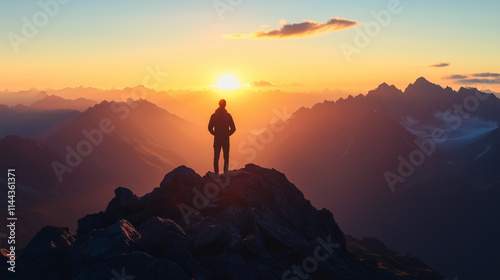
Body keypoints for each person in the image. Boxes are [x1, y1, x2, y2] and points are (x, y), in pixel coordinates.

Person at [208, 99, 236, 174]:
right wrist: (227, 134)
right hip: (225, 139)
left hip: (217, 139)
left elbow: (210, 128)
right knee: (226, 157)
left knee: (216, 157)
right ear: (225, 105)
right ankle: (225, 173)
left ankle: (216, 174)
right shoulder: (228, 116)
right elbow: (233, 129)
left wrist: (215, 134)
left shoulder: (214, 115)